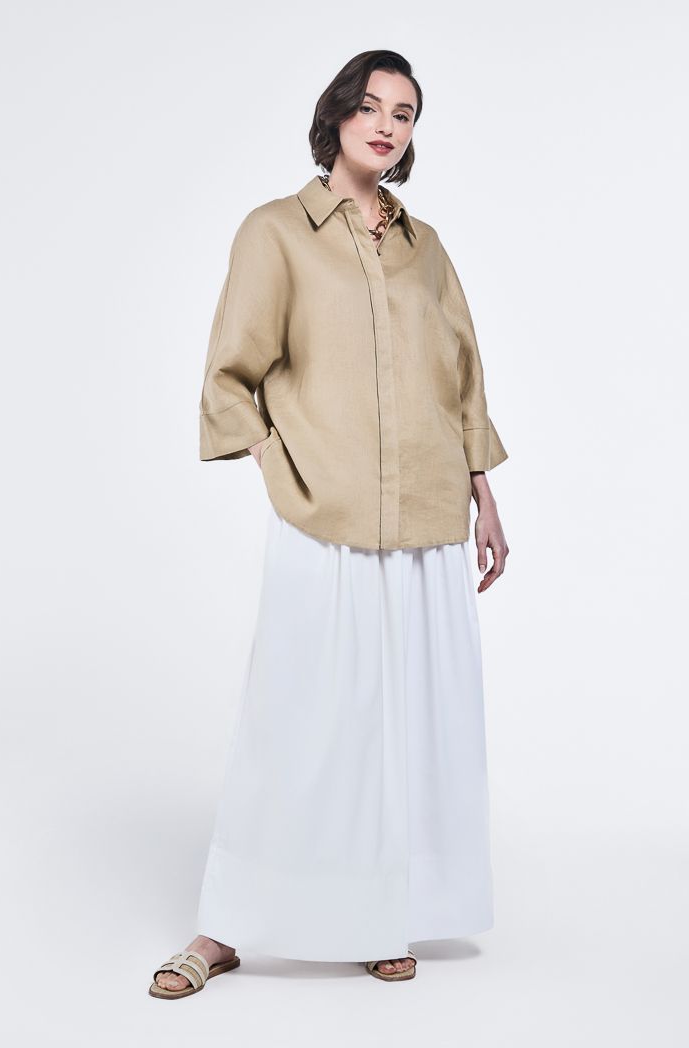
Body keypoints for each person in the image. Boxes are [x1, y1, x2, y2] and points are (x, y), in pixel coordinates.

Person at [149, 48, 509, 997]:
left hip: (429, 514)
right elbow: (230, 373)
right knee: (300, 722)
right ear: (339, 114)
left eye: (405, 113)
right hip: (327, 512)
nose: (388, 126)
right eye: (372, 106)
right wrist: (278, 462)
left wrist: (483, 492)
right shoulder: (276, 232)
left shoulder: (426, 247)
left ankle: (380, 913)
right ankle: (226, 927)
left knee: (406, 726)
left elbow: (463, 374)